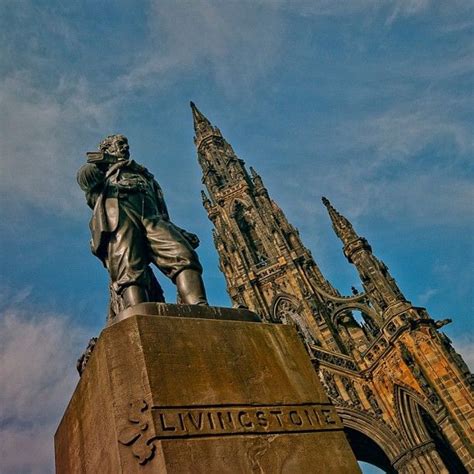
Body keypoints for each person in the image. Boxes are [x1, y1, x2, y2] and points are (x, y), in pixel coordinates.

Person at [77, 134, 208, 311]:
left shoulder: (145, 176)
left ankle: (198, 305)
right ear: (107, 149)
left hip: (152, 219)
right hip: (121, 218)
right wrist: (103, 161)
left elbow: (161, 211)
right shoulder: (104, 172)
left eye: (126, 144)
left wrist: (179, 231)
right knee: (129, 265)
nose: (125, 147)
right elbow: (85, 179)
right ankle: (138, 311)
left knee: (182, 253)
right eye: (120, 144)